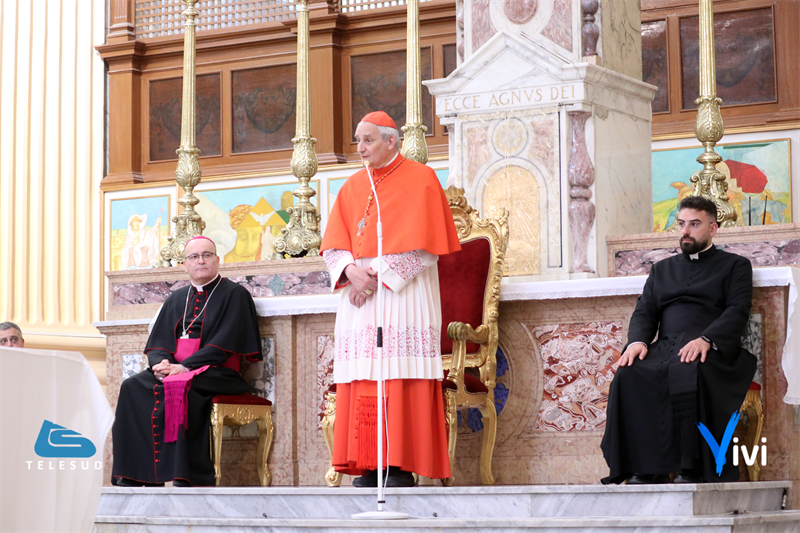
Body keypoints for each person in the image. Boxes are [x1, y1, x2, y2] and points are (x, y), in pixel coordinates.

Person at [320, 111, 461, 487]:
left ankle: (399, 463)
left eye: (367, 140)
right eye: (358, 140)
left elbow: (428, 247)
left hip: (402, 293)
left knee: (398, 371)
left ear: (391, 141)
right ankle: (367, 461)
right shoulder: (351, 186)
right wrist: (351, 272)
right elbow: (334, 245)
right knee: (365, 373)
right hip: (359, 295)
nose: (360, 148)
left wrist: (376, 277)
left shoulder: (421, 179)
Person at [601, 196, 757, 485]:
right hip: (667, 343)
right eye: (681, 223)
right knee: (629, 373)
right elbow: (645, 310)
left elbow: (737, 310)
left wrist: (707, 339)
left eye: (695, 224)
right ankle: (645, 467)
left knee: (690, 369)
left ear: (713, 228)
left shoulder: (735, 266)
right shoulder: (662, 269)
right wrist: (638, 342)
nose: (686, 231)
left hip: (712, 347)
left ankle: (692, 468)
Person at [111, 236, 262, 487]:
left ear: (217, 260)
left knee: (182, 388)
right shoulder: (177, 298)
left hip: (218, 372)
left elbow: (224, 344)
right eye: (194, 257)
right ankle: (136, 474)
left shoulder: (235, 294)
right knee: (132, 386)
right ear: (185, 264)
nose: (200, 261)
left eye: (206, 255)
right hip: (176, 370)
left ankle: (187, 474)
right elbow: (158, 343)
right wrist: (161, 366)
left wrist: (185, 367)